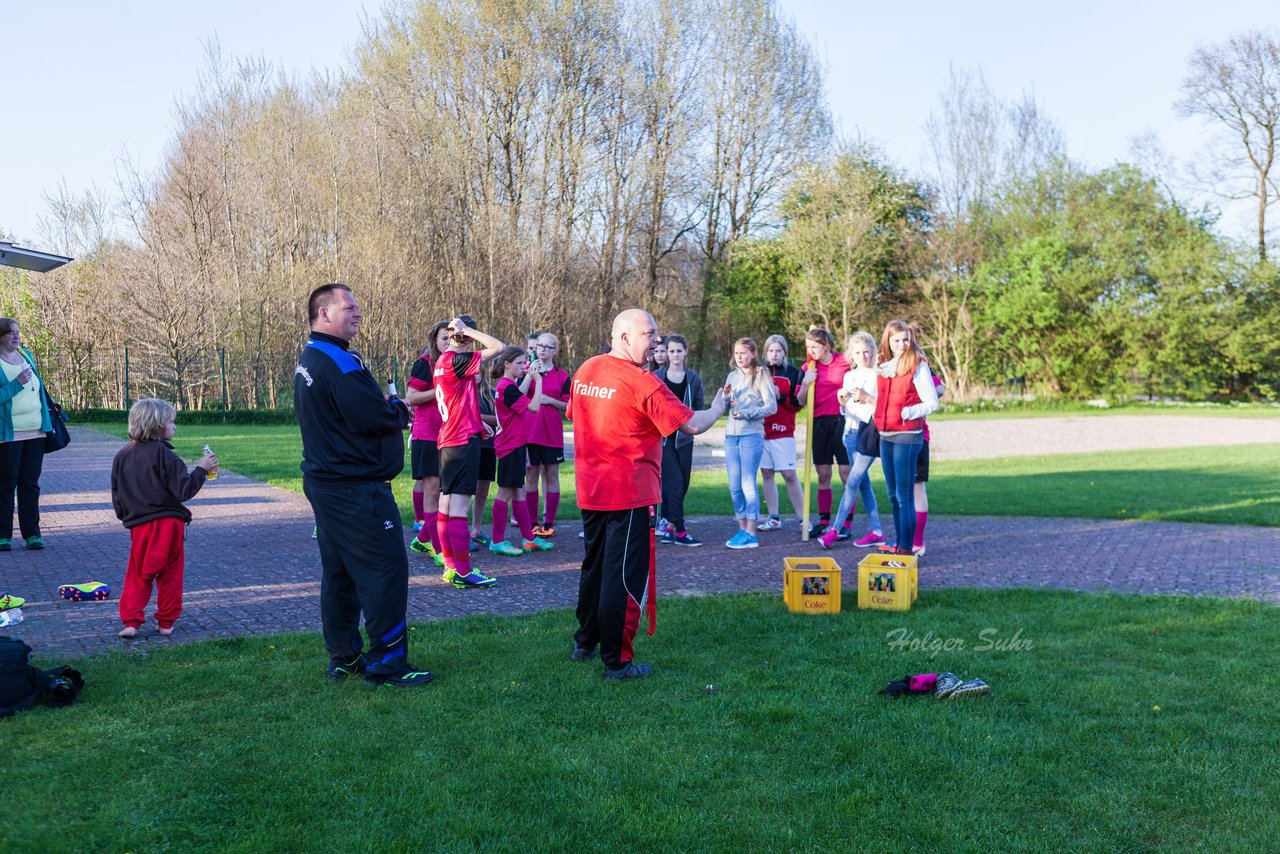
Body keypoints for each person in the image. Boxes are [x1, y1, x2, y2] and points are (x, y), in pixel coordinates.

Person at [569, 309, 724, 680]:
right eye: (649, 333)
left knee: (593, 567)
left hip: (591, 487)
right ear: (624, 337)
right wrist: (719, 406)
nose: (657, 339)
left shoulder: (587, 369)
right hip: (629, 492)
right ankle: (617, 662)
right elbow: (690, 425)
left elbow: (578, 416)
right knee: (622, 576)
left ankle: (585, 641)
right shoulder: (642, 382)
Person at [295, 283, 433, 687]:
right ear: (324, 314)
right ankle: (388, 663)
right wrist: (397, 411)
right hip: (355, 490)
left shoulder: (314, 356)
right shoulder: (336, 363)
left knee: (339, 574)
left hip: (327, 484)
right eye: (349, 308)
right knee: (384, 571)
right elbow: (370, 416)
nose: (357, 314)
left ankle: (344, 656)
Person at [111, 398, 217, 638]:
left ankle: (131, 622)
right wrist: (201, 469)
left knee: (138, 574)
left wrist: (126, 516)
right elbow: (184, 491)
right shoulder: (165, 456)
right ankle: (166, 621)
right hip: (168, 524)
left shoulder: (122, 455)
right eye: (171, 422)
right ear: (158, 426)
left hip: (139, 526)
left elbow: (117, 492)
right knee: (170, 573)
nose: (174, 427)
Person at [857, 320, 939, 556]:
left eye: (905, 339)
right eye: (896, 340)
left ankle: (907, 548)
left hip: (907, 436)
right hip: (886, 435)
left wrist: (906, 413)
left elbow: (932, 402)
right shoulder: (884, 367)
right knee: (893, 495)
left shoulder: (918, 366)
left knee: (904, 496)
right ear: (888, 342)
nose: (902, 344)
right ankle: (900, 544)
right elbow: (881, 401)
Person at [434, 316, 506, 587]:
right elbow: (498, 347)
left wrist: (478, 425)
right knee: (459, 508)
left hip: (450, 438)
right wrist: (470, 331)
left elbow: (458, 400)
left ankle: (451, 567)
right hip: (461, 442)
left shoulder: (442, 361)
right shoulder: (458, 359)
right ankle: (464, 571)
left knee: (447, 503)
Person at [818, 332, 884, 550]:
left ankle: (834, 530)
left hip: (868, 432)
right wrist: (842, 401)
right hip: (849, 432)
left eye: (867, 351)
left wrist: (864, 397)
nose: (863, 355)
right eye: (858, 352)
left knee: (853, 482)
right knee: (863, 485)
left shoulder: (878, 376)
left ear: (873, 352)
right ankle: (876, 531)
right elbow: (845, 409)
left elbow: (880, 408)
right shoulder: (849, 376)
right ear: (851, 355)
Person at [488, 345, 553, 555]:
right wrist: (539, 380)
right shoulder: (506, 387)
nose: (523, 367)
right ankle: (497, 540)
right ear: (507, 364)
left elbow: (519, 394)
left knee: (518, 491)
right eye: (519, 363)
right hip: (509, 445)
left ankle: (529, 538)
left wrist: (528, 376)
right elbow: (533, 407)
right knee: (505, 491)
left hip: (514, 444)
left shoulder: (508, 386)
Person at [0, 318, 55, 552]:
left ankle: (32, 534)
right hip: (8, 434)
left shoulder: (27, 355)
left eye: (18, 332)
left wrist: (47, 422)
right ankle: (3, 536)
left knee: (30, 484)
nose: (16, 336)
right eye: (10, 333)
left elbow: (40, 391)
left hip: (35, 432)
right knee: (5, 484)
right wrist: (16, 383)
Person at [720, 337, 776, 549]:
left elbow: (772, 407)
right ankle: (742, 529)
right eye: (736, 353)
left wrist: (749, 414)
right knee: (734, 487)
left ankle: (751, 532)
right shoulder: (732, 376)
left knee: (747, 484)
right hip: (731, 436)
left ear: (753, 354)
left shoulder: (761, 375)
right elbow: (728, 403)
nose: (739, 357)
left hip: (751, 435)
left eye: (743, 353)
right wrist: (725, 397)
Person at [797, 328, 850, 538]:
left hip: (841, 420)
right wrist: (805, 382)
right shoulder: (807, 367)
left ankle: (845, 523)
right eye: (808, 347)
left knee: (847, 474)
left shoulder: (844, 361)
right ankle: (825, 522)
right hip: (818, 424)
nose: (810, 351)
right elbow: (800, 402)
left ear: (826, 346)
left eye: (814, 347)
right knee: (824, 475)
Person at [406, 322, 451, 569]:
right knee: (433, 490)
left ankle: (423, 538)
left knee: (446, 492)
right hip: (427, 434)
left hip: (450, 435)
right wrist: (440, 389)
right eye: (444, 338)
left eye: (451, 338)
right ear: (434, 340)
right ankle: (437, 547)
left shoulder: (458, 364)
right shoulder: (425, 363)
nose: (448, 342)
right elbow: (411, 397)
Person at [654, 334, 704, 546]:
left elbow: (699, 406)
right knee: (673, 483)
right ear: (666, 353)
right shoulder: (657, 376)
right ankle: (681, 531)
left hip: (685, 438)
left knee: (682, 484)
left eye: (678, 351)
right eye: (671, 351)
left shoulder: (693, 378)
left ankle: (670, 527)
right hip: (663, 439)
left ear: (685, 352)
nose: (675, 354)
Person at [524, 332, 571, 538]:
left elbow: (569, 407)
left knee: (551, 475)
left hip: (552, 434)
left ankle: (549, 522)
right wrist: (529, 377)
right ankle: (532, 522)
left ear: (555, 350)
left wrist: (549, 400)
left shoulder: (562, 375)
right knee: (531, 475)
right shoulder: (527, 371)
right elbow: (517, 397)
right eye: (539, 346)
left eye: (547, 347)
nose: (542, 350)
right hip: (531, 433)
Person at [759, 334, 806, 532]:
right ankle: (774, 518)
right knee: (767, 473)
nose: (774, 354)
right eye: (771, 350)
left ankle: (804, 519)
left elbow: (798, 404)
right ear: (766, 352)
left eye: (778, 350)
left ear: (784, 352)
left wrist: (780, 396)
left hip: (783, 431)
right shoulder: (759, 372)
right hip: (761, 432)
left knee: (789, 475)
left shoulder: (794, 373)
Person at [912, 366, 946, 556]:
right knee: (900, 492)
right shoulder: (887, 362)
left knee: (917, 486)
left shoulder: (919, 363)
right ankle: (905, 538)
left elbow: (940, 390)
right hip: (893, 435)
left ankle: (917, 542)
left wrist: (917, 398)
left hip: (917, 433)